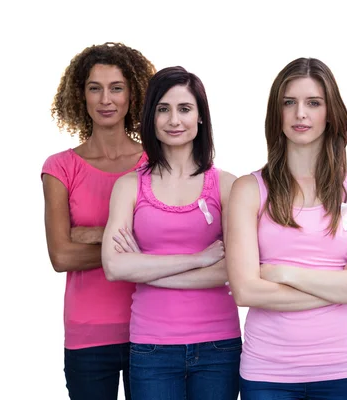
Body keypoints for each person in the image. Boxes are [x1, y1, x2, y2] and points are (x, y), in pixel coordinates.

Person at [226, 57, 347, 400]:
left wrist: (281, 272)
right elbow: (246, 292)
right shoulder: (248, 190)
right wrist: (342, 285)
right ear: (277, 113)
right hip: (267, 371)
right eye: (289, 102)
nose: (300, 113)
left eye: (313, 103)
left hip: (344, 367)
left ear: (330, 113)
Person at [101, 66, 241, 400]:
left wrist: (146, 268)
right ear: (151, 117)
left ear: (200, 117)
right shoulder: (129, 186)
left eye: (184, 109)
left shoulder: (226, 185)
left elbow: (235, 271)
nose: (174, 120)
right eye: (163, 109)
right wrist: (198, 259)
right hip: (152, 347)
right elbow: (114, 267)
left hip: (218, 345)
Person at [41, 42, 155, 400]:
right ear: (81, 95)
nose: (106, 99)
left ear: (132, 94)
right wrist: (134, 247)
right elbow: (61, 256)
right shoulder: (60, 167)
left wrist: (95, 235)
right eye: (95, 88)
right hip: (87, 333)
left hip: (151, 327)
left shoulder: (156, 162)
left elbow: (173, 241)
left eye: (116, 87)